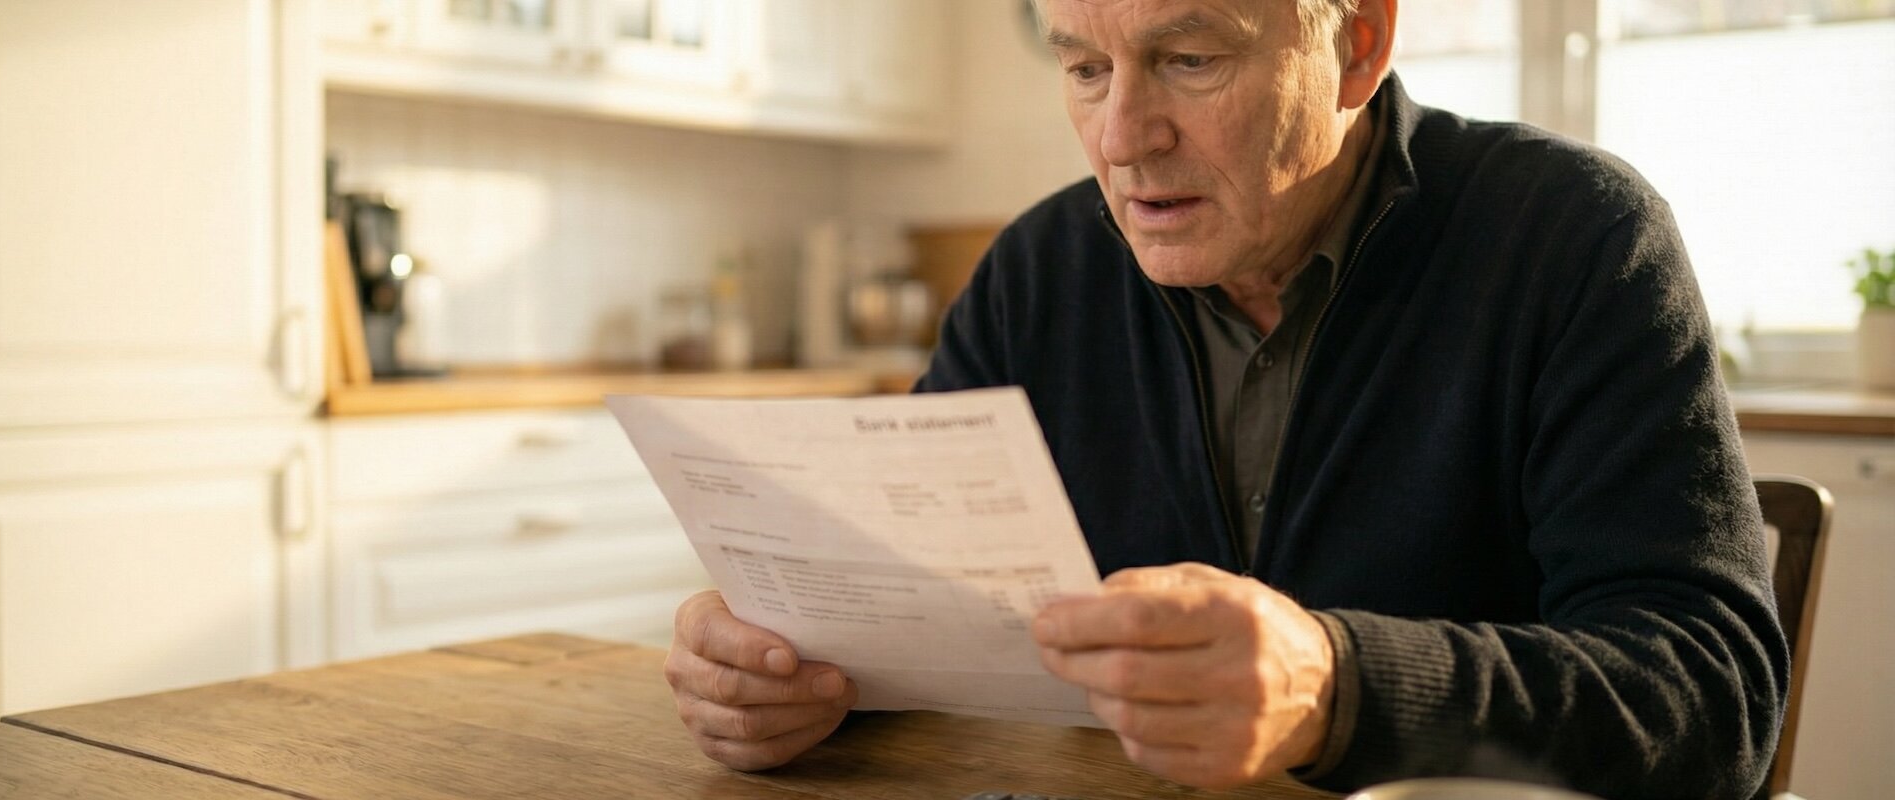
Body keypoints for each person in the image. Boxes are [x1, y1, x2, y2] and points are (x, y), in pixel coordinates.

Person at [661, 1, 1789, 797]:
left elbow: (1711, 697)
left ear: (1358, 41)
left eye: (1190, 59)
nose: (1121, 137)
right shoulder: (1038, 274)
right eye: (1084, 67)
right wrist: (781, 665)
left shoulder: (1574, 239)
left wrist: (1335, 687)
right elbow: (904, 603)